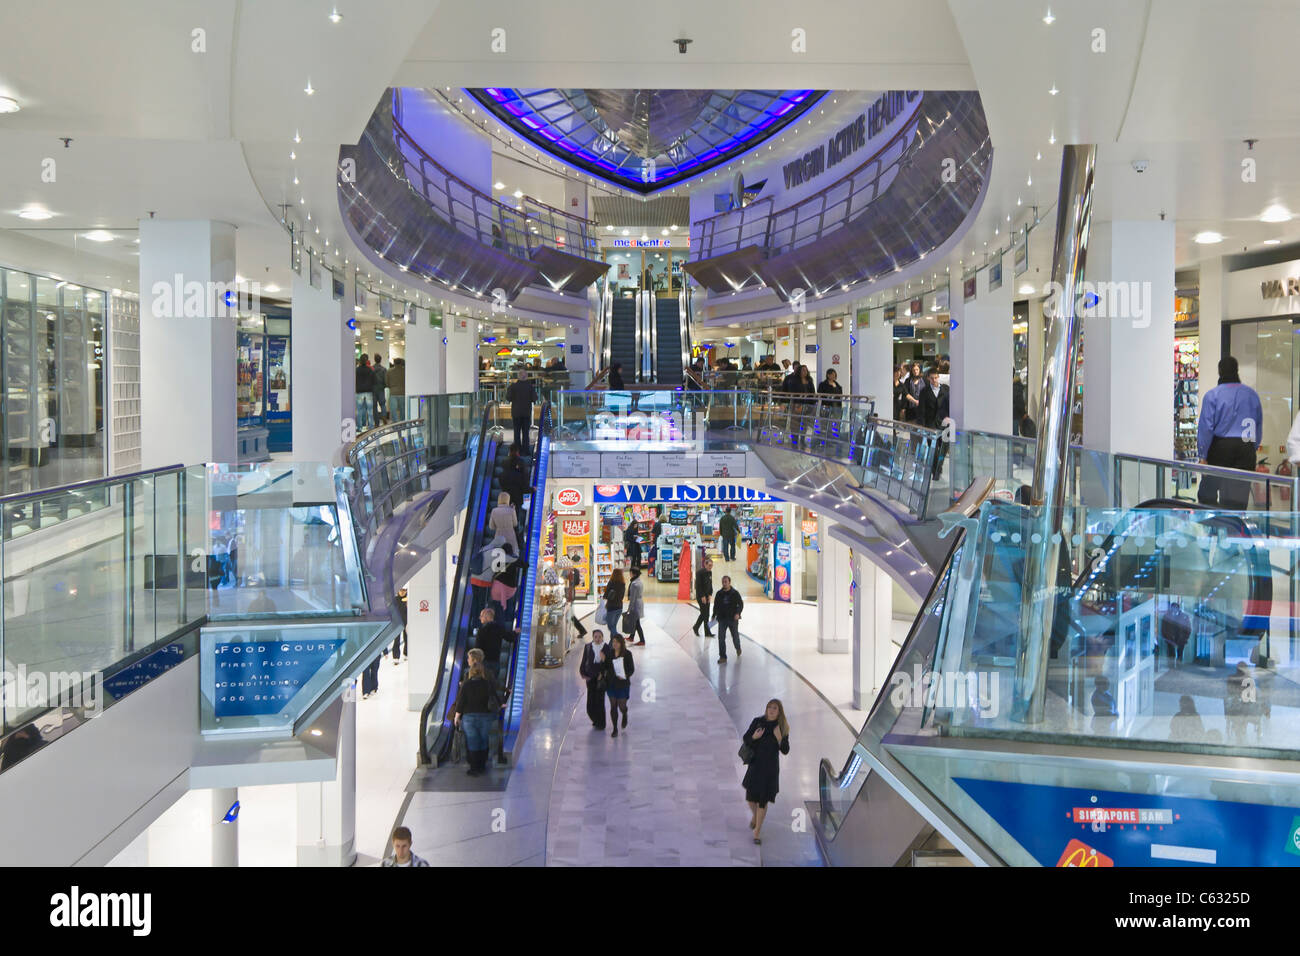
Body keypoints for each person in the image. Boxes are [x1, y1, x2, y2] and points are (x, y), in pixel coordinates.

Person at [1197, 356, 1263, 510]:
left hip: (1220, 448)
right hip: (1246, 448)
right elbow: (1258, 425)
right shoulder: (1251, 394)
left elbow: (1206, 428)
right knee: (1238, 499)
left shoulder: (1213, 395)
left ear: (1219, 371)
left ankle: (1213, 528)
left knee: (1207, 493)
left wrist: (1203, 456)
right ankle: (1235, 529)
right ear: (1237, 370)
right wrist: (1252, 447)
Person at [741, 699, 790, 845]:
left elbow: (786, 750)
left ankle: (757, 832)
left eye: (775, 708)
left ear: (779, 711)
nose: (771, 710)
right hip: (755, 766)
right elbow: (746, 738)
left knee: (762, 800)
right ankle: (756, 817)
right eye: (769, 707)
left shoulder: (781, 727)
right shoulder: (758, 722)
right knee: (750, 798)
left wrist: (780, 738)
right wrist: (754, 737)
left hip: (770, 770)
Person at [452, 647, 503, 776]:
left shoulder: (467, 684)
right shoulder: (487, 683)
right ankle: (482, 765)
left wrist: (457, 716)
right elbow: (493, 694)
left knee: (472, 741)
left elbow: (461, 701)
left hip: (469, 717)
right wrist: (501, 704)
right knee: (484, 739)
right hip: (485, 716)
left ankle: (474, 768)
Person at [919, 366, 950, 480]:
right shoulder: (924, 391)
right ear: (928, 378)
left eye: (936, 378)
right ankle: (935, 471)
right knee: (933, 448)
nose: (935, 380)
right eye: (932, 378)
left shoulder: (946, 389)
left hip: (944, 423)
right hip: (930, 423)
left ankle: (938, 467)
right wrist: (922, 425)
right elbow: (921, 409)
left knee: (944, 447)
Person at [602, 633, 636, 737]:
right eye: (613, 642)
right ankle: (615, 728)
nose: (615, 644)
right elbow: (606, 667)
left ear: (621, 643)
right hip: (611, 684)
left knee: (621, 706)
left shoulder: (627, 654)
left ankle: (624, 713)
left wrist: (625, 675)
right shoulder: (609, 653)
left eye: (617, 642)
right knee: (613, 706)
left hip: (622, 684)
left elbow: (631, 669)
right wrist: (603, 660)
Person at [578, 629, 611, 729]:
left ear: (602, 637)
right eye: (595, 637)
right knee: (590, 702)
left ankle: (601, 723)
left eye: (599, 637)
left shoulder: (606, 648)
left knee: (599, 701)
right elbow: (584, 660)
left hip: (601, 679)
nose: (597, 639)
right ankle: (595, 719)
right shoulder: (588, 646)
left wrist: (604, 661)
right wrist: (583, 673)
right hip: (590, 678)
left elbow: (609, 664)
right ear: (593, 637)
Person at [474, 606, 514, 684]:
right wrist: (515, 632)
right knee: (492, 684)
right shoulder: (498, 628)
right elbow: (509, 637)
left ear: (486, 617)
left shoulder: (482, 631)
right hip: (495, 661)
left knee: (483, 684)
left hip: (484, 662)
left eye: (481, 616)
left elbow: (477, 649)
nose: (479, 618)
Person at [505, 369, 538, 455]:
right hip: (526, 413)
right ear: (526, 377)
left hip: (516, 412)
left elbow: (508, 398)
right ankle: (526, 451)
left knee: (516, 433)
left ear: (518, 377)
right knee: (526, 433)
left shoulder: (513, 386)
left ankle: (517, 451)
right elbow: (535, 398)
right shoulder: (530, 387)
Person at [712, 574, 744, 662]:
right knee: (721, 638)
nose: (724, 583)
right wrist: (713, 615)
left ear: (729, 582)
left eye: (726, 582)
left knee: (735, 636)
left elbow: (740, 604)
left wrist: (738, 613)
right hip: (722, 619)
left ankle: (738, 647)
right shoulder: (719, 594)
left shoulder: (735, 593)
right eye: (723, 582)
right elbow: (716, 605)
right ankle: (723, 656)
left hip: (732, 619)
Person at [499, 444, 531, 513]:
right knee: (515, 513)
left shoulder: (504, 463)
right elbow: (525, 480)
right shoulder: (521, 463)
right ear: (517, 452)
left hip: (506, 495)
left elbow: (501, 480)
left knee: (507, 511)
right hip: (517, 495)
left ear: (509, 451)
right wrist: (530, 489)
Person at [490, 542, 520, 616]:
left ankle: (500, 616)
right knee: (508, 604)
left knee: (498, 607)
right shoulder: (513, 560)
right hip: (511, 589)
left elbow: (495, 572)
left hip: (498, 589)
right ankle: (508, 615)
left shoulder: (499, 560)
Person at [692, 556, 714, 637]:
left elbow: (710, 584)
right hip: (701, 596)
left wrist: (710, 594)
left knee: (706, 614)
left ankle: (701, 629)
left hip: (707, 596)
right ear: (705, 564)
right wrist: (702, 596)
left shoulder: (710, 572)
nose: (710, 567)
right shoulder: (699, 573)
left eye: (711, 566)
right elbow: (698, 586)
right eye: (709, 565)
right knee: (704, 613)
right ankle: (697, 628)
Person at [603, 567, 626, 641]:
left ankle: (619, 639)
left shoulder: (611, 582)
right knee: (614, 626)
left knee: (610, 626)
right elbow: (622, 596)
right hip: (619, 607)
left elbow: (606, 595)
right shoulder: (623, 583)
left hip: (611, 607)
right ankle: (612, 644)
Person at [625, 567, 646, 646]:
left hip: (635, 604)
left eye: (630, 572)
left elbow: (632, 598)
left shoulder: (634, 584)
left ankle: (642, 640)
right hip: (639, 602)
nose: (629, 574)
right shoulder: (639, 581)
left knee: (637, 624)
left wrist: (629, 609)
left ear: (634, 574)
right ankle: (631, 637)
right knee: (635, 621)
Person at [355, 356, 374, 430]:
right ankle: (371, 426)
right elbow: (373, 380)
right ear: (366, 361)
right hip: (369, 391)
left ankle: (359, 427)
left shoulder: (357, 370)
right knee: (369, 410)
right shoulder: (370, 370)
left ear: (360, 361)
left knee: (359, 410)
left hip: (359, 391)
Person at [387, 357, 406, 422]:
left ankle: (395, 424)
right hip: (402, 392)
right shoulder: (405, 371)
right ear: (401, 363)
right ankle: (403, 422)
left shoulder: (389, 371)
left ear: (394, 363)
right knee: (402, 409)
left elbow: (387, 382)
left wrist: (391, 387)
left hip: (393, 392)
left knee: (393, 409)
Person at [372, 353, 388, 425]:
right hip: (381, 389)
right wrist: (384, 386)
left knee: (374, 406)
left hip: (373, 389)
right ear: (380, 360)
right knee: (382, 404)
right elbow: (386, 380)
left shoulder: (371, 369)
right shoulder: (384, 369)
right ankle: (384, 416)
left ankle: (376, 422)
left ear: (374, 360)